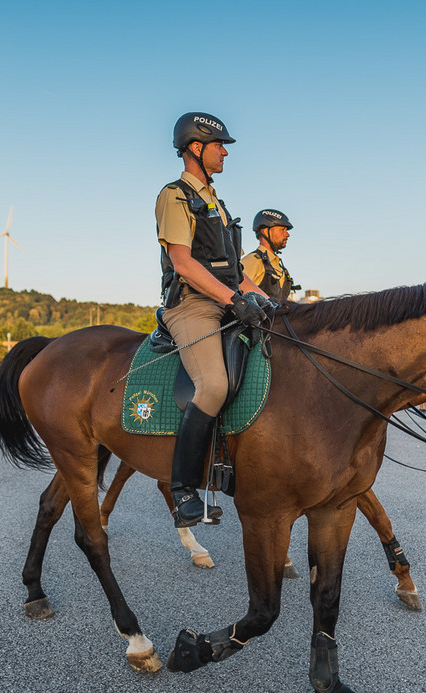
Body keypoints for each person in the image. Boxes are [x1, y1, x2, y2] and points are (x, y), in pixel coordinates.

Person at [156, 111, 268, 528]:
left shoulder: (218, 204)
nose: (225, 152)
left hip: (226, 300)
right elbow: (182, 263)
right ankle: (184, 490)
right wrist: (232, 300)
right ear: (196, 149)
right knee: (214, 384)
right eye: (220, 145)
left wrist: (273, 304)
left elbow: (239, 274)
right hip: (193, 305)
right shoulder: (175, 196)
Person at [241, 209, 299, 302]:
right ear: (265, 231)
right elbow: (233, 292)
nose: (287, 234)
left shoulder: (280, 268)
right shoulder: (253, 261)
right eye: (282, 230)